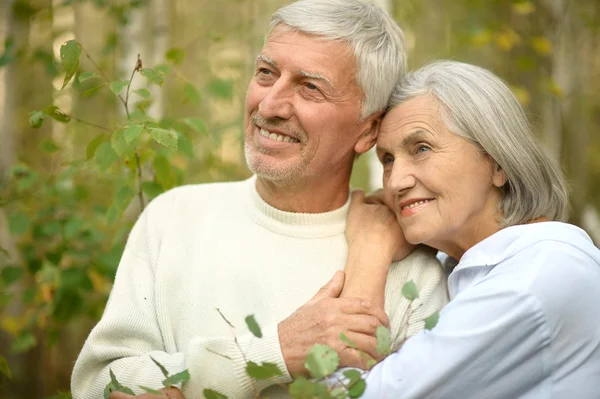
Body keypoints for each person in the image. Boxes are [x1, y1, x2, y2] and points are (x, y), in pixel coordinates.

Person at [71, 1, 449, 398]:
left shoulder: (413, 273)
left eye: (310, 88)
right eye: (266, 73)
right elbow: (98, 381)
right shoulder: (174, 217)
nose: (269, 106)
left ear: (368, 130)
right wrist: (276, 351)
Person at [338, 60, 600, 398]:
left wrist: (369, 252)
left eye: (421, 148)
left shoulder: (535, 278)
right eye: (388, 159)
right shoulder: (481, 268)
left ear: (498, 163)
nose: (396, 181)